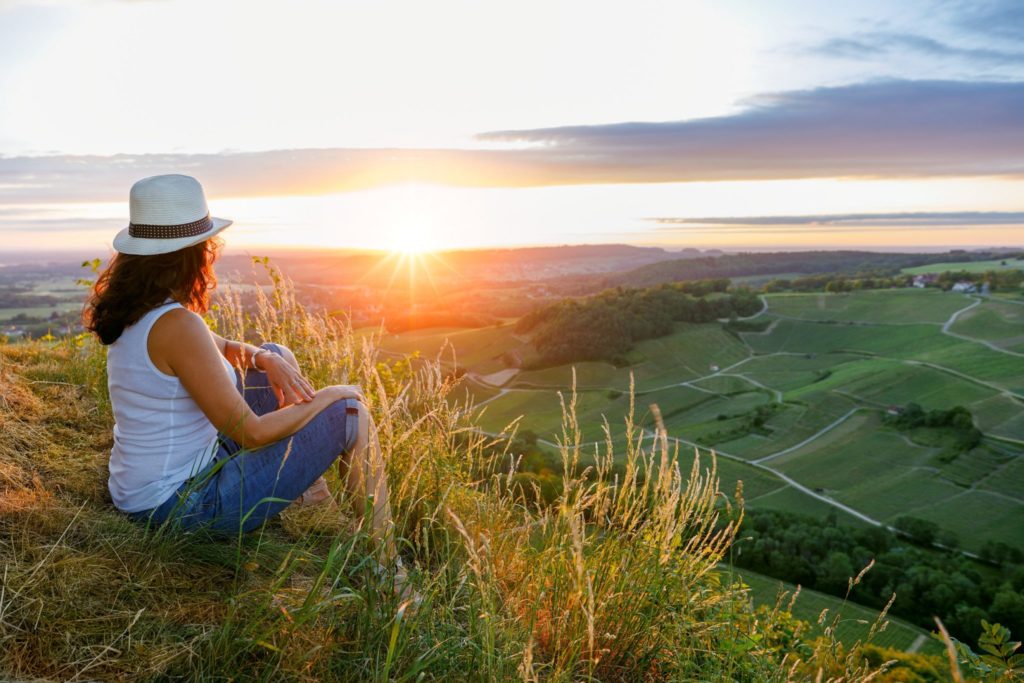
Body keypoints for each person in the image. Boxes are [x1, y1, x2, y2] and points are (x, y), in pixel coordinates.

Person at [83, 174, 403, 580]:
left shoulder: (143, 312)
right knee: (350, 411)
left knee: (275, 354)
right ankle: (390, 571)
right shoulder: (178, 326)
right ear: (193, 253)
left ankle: (307, 490)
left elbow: (228, 349)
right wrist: (331, 396)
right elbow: (251, 433)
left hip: (150, 488)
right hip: (178, 508)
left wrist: (266, 360)